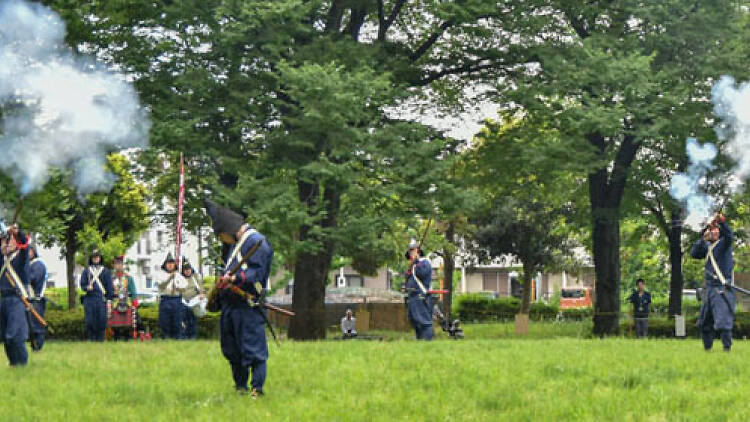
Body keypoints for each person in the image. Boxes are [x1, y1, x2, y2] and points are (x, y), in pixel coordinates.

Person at [205, 199, 273, 398]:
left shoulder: (256, 241)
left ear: (228, 230)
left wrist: (235, 278)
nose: (222, 239)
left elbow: (256, 273)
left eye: (221, 235)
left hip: (247, 305)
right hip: (231, 306)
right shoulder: (237, 246)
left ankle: (257, 390)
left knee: (253, 350)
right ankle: (240, 387)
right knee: (233, 350)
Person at [691, 213, 735, 352]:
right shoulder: (707, 247)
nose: (714, 231)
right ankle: (707, 349)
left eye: (716, 229)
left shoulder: (724, 244)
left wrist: (722, 221)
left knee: (723, 323)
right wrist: (703, 239)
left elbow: (729, 236)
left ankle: (726, 349)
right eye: (712, 229)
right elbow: (694, 253)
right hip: (709, 289)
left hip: (721, 288)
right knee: (704, 322)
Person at [0, 225, 30, 365]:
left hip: (17, 299)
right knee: (6, 336)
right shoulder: (2, 260)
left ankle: (22, 363)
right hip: (4, 300)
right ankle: (13, 364)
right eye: (7, 240)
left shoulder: (21, 257)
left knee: (14, 335)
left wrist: (17, 232)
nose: (9, 243)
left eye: (11, 240)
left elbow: (24, 243)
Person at [80, 248, 114, 342]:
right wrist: (87, 288)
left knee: (101, 320)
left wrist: (109, 300)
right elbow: (82, 285)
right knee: (90, 320)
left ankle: (100, 339)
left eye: (97, 257)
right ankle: (91, 338)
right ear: (91, 258)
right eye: (94, 257)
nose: (96, 259)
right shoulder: (86, 271)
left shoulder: (106, 271)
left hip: (101, 299)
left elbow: (109, 287)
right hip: (90, 299)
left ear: (100, 258)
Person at [403, 240, 434, 340]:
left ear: (418, 252)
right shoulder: (412, 266)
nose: (411, 255)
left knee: (424, 321)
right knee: (415, 320)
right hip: (412, 296)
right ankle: (420, 340)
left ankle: (427, 341)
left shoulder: (425, 262)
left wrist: (416, 261)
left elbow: (422, 273)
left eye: (412, 252)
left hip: (420, 295)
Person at [157, 253, 186, 339]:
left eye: (172, 263)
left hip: (176, 300)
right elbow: (161, 286)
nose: (170, 265)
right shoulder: (161, 275)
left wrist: (178, 287)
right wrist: (170, 278)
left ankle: (177, 339)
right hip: (165, 299)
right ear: (165, 265)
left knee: (177, 321)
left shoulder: (179, 276)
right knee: (165, 321)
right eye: (168, 263)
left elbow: (184, 288)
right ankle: (166, 338)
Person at [110, 255, 138, 341]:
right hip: (115, 303)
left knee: (128, 324)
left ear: (123, 265)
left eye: (120, 264)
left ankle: (127, 338)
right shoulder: (110, 278)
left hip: (127, 303)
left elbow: (133, 291)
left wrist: (134, 301)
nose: (118, 266)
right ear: (114, 265)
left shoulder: (129, 278)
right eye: (117, 264)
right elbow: (108, 291)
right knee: (115, 324)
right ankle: (116, 337)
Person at [25, 244, 48, 351]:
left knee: (37, 325)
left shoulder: (38, 264)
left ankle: (38, 346)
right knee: (30, 325)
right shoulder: (28, 265)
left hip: (37, 300)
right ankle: (34, 346)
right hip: (28, 299)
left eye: (29, 251)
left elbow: (33, 279)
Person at [181, 257, 204, 340]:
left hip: (194, 303)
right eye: (185, 269)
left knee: (192, 322)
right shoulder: (180, 279)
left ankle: (193, 337)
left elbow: (201, 289)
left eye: (188, 269)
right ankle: (184, 337)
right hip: (183, 303)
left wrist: (201, 295)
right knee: (183, 322)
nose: (187, 271)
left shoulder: (196, 278)